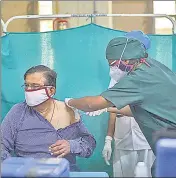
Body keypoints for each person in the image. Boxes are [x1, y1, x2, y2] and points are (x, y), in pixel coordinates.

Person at [64, 31, 176, 176]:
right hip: (165, 143)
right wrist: (109, 109)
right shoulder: (151, 66)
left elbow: (93, 104)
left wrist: (70, 102)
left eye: (113, 64)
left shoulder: (138, 78)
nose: (112, 70)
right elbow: (144, 108)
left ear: (127, 60)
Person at [1, 65, 96, 171]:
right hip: (29, 173)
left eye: (35, 86)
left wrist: (71, 145)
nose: (29, 90)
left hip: (65, 173)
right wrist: (12, 170)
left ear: (51, 90)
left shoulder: (68, 111)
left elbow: (90, 143)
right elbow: (2, 145)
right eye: (26, 85)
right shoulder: (18, 112)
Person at [102, 31, 155, 177]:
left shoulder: (151, 75)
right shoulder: (118, 74)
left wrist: (107, 108)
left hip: (146, 138)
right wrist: (108, 138)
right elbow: (113, 107)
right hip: (123, 138)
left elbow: (150, 108)